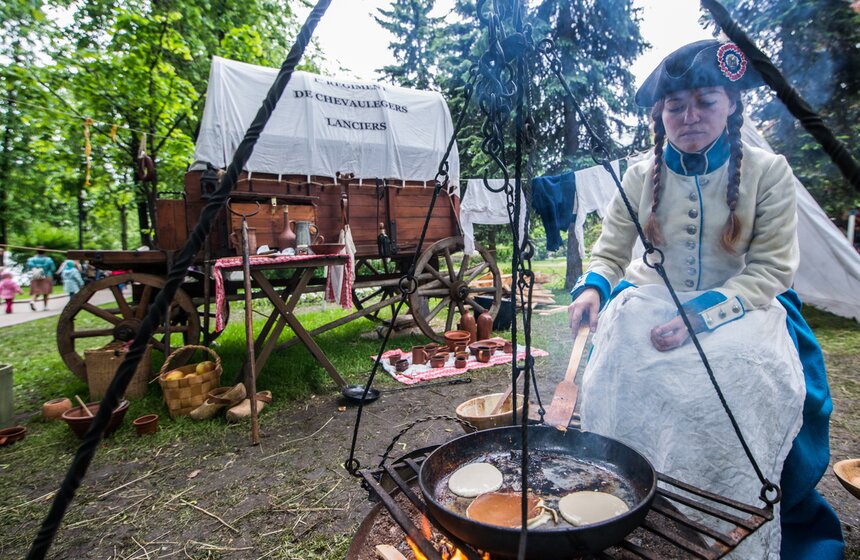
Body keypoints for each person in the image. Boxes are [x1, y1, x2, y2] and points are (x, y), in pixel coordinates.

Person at [568, 40, 842, 559]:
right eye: (675, 106)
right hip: (651, 300)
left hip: (744, 306)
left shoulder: (768, 171)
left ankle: (730, 507)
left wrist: (702, 313)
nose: (689, 117)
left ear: (731, 104)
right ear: (660, 114)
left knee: (738, 381)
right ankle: (631, 489)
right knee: (619, 370)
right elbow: (610, 250)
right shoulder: (638, 175)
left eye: (705, 102)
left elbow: (772, 269)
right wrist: (593, 286)